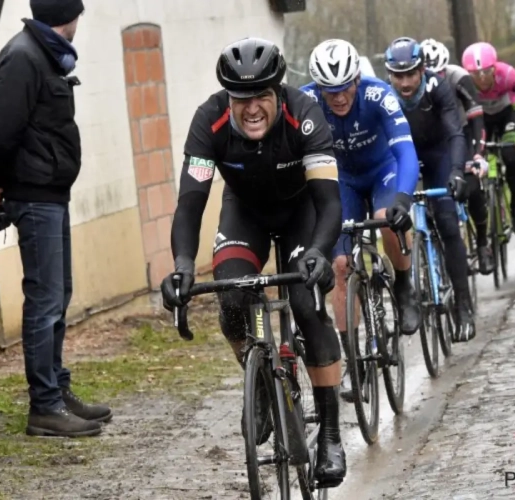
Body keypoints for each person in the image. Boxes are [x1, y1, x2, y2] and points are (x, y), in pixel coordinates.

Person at [160, 37, 346, 485]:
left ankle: (331, 435)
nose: (252, 108)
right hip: (246, 214)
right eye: (241, 98)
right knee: (231, 296)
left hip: (304, 214)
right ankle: (260, 382)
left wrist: (320, 252)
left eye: (261, 96)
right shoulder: (209, 120)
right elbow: (189, 204)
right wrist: (183, 264)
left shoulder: (304, 115)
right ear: (229, 97)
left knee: (307, 305)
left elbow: (329, 202)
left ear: (277, 92)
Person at [0, 0, 112, 438]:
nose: (79, 22)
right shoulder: (24, 57)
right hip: (34, 196)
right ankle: (45, 406)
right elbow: (0, 135)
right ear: (66, 16)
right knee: (45, 300)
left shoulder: (43, 53)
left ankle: (58, 390)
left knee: (58, 295)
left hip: (49, 193)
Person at [299, 39, 421, 400]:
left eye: (345, 87)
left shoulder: (379, 95)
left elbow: (406, 152)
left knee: (387, 219)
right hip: (342, 181)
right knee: (338, 265)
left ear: (357, 78)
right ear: (318, 87)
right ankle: (352, 356)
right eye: (329, 91)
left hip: (382, 170)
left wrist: (402, 197)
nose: (338, 98)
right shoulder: (307, 103)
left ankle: (402, 285)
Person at [385, 37, 476, 342]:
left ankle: (463, 306)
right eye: (398, 76)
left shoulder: (439, 88)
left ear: (422, 70)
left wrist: (456, 171)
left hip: (438, 154)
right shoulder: (384, 96)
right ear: (389, 75)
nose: (405, 81)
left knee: (448, 223)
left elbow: (455, 132)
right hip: (402, 157)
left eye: (411, 73)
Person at [421, 38, 493, 276]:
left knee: (472, 185)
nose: (437, 78)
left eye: (440, 72)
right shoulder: (415, 82)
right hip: (433, 141)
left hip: (461, 133)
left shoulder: (458, 77)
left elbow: (476, 117)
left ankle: (482, 244)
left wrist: (477, 155)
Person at [461, 41, 515, 237]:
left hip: (505, 117)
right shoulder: (463, 82)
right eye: (476, 74)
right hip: (481, 120)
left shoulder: (508, 75)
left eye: (486, 72)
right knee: (476, 159)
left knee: (511, 155)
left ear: (495, 67)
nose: (482, 79)